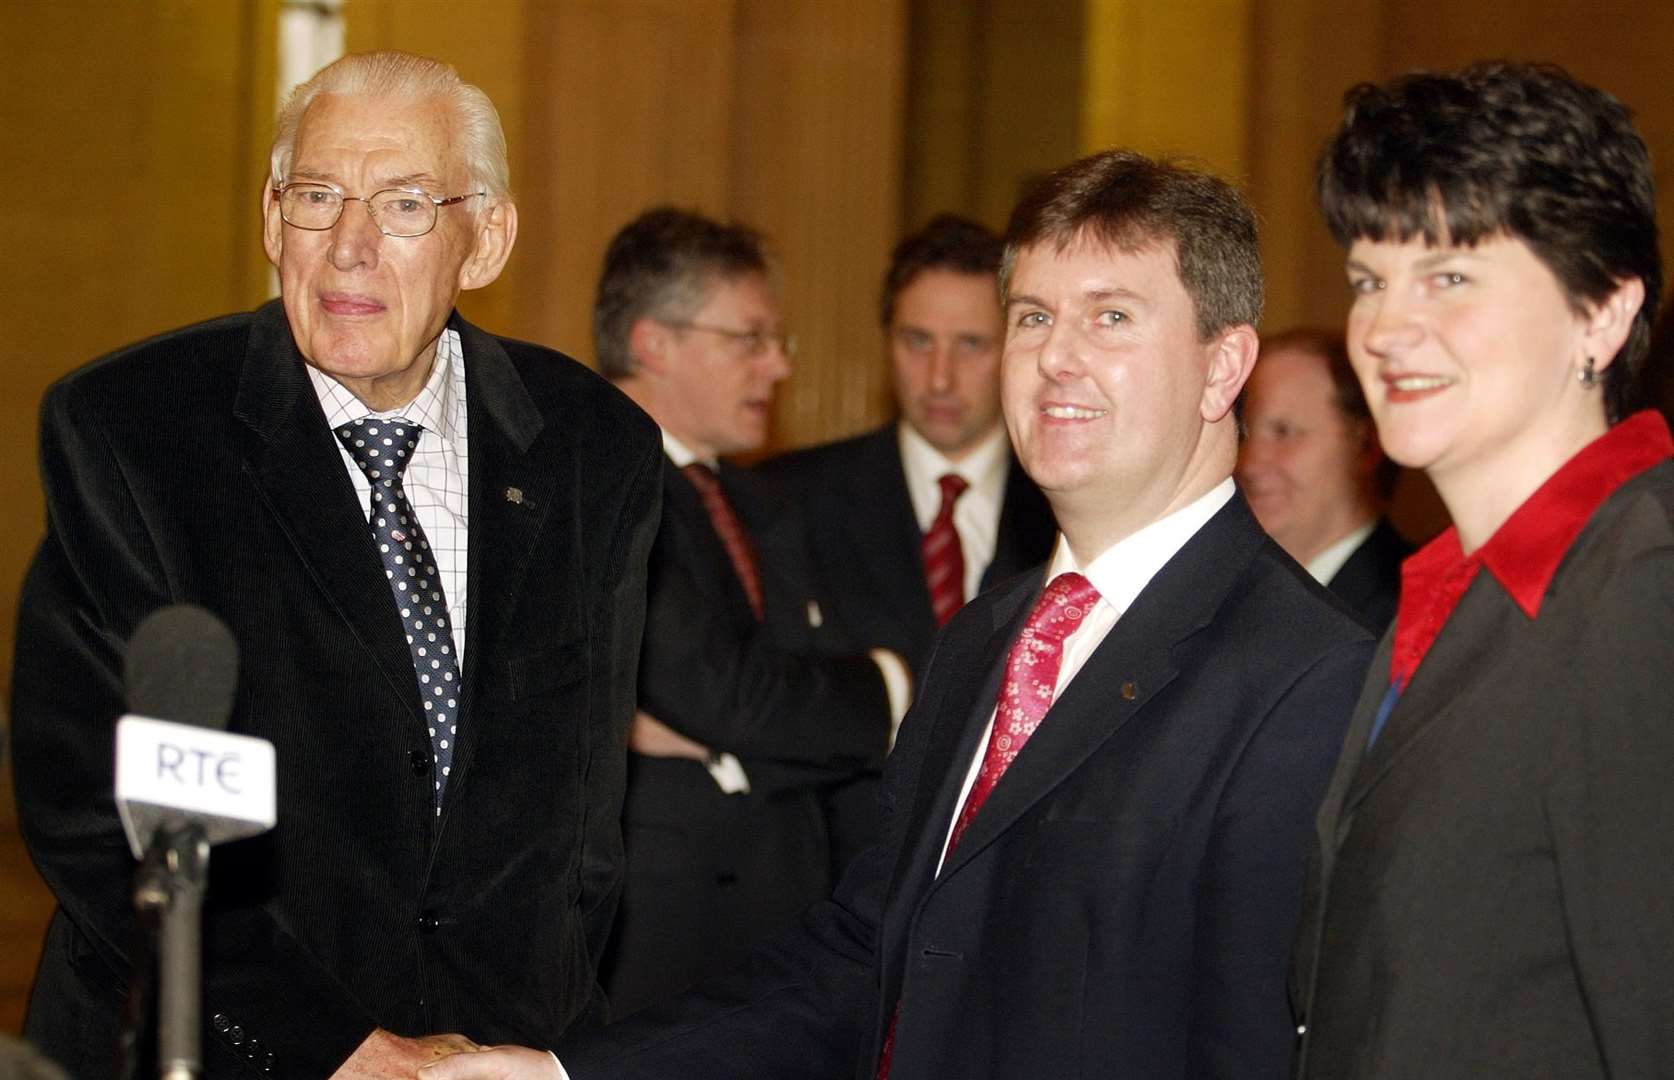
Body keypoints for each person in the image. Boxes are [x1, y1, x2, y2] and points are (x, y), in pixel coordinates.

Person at [425, 149, 1373, 1080]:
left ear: (1223, 366)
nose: (1055, 358)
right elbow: (859, 959)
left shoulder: (1309, 679)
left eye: (1112, 317)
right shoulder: (984, 640)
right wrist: (561, 1075)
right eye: (1034, 317)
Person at [8, 51, 662, 1078]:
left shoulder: (593, 447)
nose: (349, 247)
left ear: (485, 239)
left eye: (404, 204)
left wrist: (531, 1042)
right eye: (317, 197)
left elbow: (586, 822)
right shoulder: (133, 433)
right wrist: (346, 1051)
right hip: (209, 1046)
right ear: (273, 222)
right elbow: (96, 805)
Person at [1291, 61, 1674, 1077]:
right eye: (1370, 280)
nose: (1386, 328)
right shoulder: (1453, 589)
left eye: (1449, 276)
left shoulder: (1644, 593)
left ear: (1601, 312)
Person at [588, 207, 907, 1021]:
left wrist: (882, 688)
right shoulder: (596, 487)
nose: (776, 368)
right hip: (656, 952)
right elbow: (731, 692)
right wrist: (879, 694)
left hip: (787, 943)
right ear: (655, 342)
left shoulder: (759, 501)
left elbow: (765, 700)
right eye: (750, 340)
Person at [761, 214, 1055, 875]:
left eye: (972, 344)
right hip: (832, 885)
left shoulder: (1070, 512)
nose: (941, 377)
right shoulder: (790, 500)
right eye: (917, 341)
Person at [1237, 327, 1410, 629]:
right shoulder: (1224, 600)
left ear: (1366, 444)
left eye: (1284, 432)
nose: (1249, 463)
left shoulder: (1409, 610)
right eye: (1244, 434)